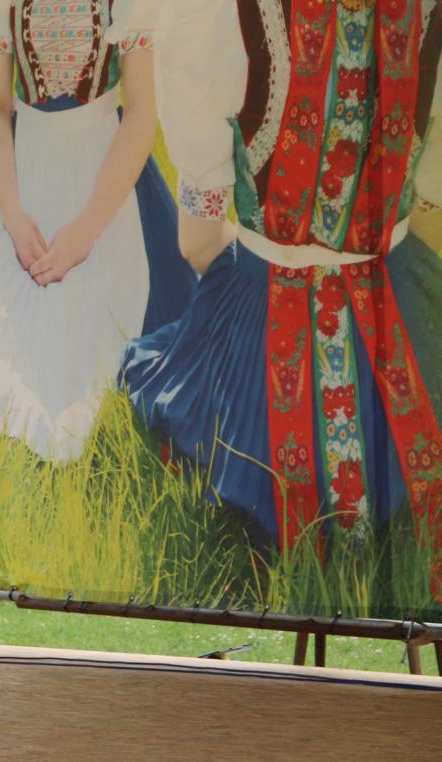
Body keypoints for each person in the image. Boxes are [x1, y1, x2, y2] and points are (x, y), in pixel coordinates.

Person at [118, 0, 442, 603]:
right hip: (399, 315)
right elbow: (430, 207)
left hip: (267, 318)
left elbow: (196, 241)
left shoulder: (228, 12)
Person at [0, 0, 193, 462]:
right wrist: (12, 214)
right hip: (27, 173)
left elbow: (142, 112)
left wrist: (86, 230)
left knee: (121, 335)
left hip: (106, 172)